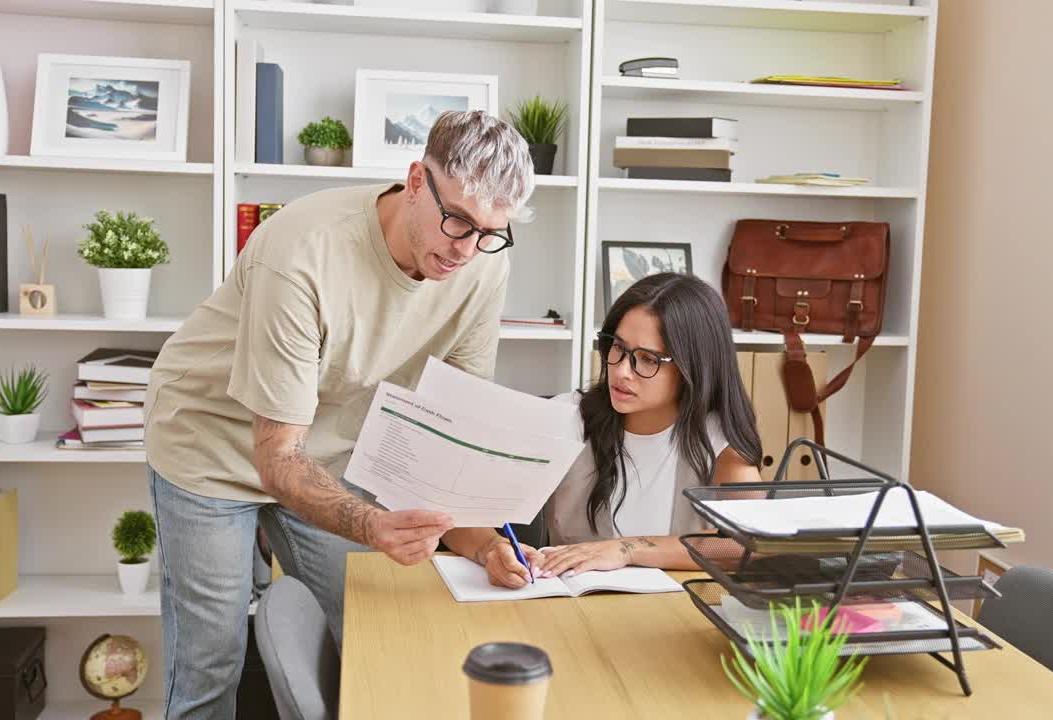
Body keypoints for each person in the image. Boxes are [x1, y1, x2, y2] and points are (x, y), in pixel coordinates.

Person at [143, 110, 534, 717]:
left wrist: (483, 544)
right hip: (211, 442)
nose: (466, 249)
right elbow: (275, 458)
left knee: (382, 616)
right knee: (211, 662)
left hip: (326, 446)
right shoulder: (303, 251)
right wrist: (372, 525)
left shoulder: (482, 263)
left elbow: (449, 425)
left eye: (490, 232)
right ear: (414, 181)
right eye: (456, 220)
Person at [443, 272, 763, 587]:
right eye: (617, 348)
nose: (622, 371)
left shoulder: (719, 438)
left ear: (694, 366)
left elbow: (752, 542)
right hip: (576, 610)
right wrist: (490, 548)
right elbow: (450, 512)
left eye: (648, 360)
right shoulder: (565, 419)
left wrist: (625, 550)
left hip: (675, 611)